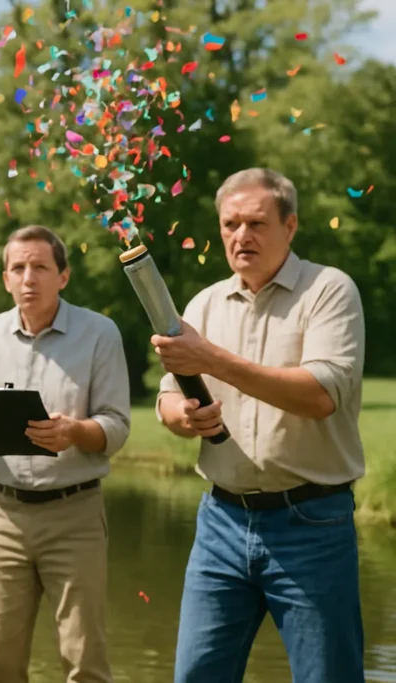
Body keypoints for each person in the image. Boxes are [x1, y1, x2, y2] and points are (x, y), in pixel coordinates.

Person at [151, 168, 366, 683]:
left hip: (311, 522)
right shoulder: (204, 302)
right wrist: (182, 416)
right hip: (220, 523)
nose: (241, 235)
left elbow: (319, 396)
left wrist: (211, 358)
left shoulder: (328, 291)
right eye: (230, 224)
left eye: (256, 223)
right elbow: (166, 396)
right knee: (196, 676)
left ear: (290, 226)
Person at [0, 225, 131, 683]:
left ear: (63, 276)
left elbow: (117, 426)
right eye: (18, 268)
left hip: (75, 512)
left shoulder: (99, 333)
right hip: (1, 515)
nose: (29, 278)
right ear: (6, 278)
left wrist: (75, 431)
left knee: (84, 659)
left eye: (41, 267)